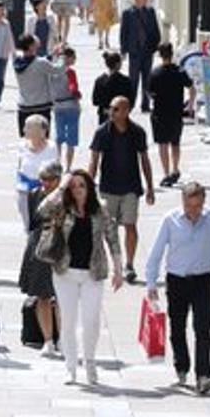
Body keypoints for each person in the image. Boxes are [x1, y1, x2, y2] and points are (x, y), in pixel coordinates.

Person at [143, 181, 210, 395]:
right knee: (177, 328)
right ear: (182, 202)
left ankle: (203, 375)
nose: (193, 212)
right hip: (177, 280)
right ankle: (182, 368)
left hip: (203, 280)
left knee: (203, 328)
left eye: (198, 206)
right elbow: (156, 253)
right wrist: (151, 282)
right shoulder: (170, 220)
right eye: (189, 206)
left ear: (204, 203)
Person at [36, 167, 123, 386]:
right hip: (65, 272)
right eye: (73, 186)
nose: (77, 190)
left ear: (89, 187)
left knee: (91, 320)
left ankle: (90, 362)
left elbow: (112, 238)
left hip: (92, 272)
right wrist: (62, 186)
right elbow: (41, 210)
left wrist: (119, 269)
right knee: (68, 321)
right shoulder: (61, 207)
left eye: (81, 185)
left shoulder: (100, 209)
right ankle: (71, 367)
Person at [87, 96, 155, 285]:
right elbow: (94, 161)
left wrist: (150, 187)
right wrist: (88, 187)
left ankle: (130, 264)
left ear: (127, 111)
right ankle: (109, 263)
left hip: (131, 187)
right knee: (106, 228)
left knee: (130, 225)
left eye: (116, 109)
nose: (112, 112)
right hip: (108, 187)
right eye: (111, 109)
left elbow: (145, 160)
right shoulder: (102, 132)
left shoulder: (137, 132)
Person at [18, 160, 64, 359]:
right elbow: (34, 222)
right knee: (42, 295)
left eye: (50, 180)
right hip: (39, 247)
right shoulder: (34, 195)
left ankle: (63, 338)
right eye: (42, 179)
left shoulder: (67, 197)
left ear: (59, 179)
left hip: (62, 249)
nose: (45, 183)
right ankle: (48, 341)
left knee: (63, 297)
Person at [147, 43, 196, 188]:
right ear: (172, 53)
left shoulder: (155, 73)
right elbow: (192, 89)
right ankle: (175, 168)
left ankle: (166, 173)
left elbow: (149, 93)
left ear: (160, 55)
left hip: (160, 113)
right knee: (175, 142)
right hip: (176, 112)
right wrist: (190, 105)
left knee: (163, 144)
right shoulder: (180, 71)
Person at [13, 114, 60, 232]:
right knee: (29, 227)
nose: (24, 130)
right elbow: (19, 167)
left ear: (42, 130)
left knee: (45, 225)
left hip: (45, 190)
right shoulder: (22, 146)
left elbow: (56, 170)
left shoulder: (52, 147)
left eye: (28, 127)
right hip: (25, 191)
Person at [120, 0, 162, 113]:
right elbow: (124, 32)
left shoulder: (150, 12)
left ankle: (145, 104)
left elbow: (155, 30)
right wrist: (124, 50)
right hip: (134, 51)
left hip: (147, 51)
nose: (143, 0)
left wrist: (154, 47)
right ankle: (131, 104)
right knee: (133, 79)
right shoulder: (128, 13)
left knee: (147, 79)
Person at [12, 36, 60, 138]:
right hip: (42, 106)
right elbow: (56, 70)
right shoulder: (41, 63)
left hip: (24, 105)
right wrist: (64, 60)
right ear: (31, 46)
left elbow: (36, 62)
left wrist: (52, 54)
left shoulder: (17, 61)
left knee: (25, 140)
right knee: (43, 140)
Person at [51, 45, 84, 168]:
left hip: (57, 106)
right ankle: (68, 166)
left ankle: (58, 162)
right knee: (71, 139)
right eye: (73, 57)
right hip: (71, 106)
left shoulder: (52, 70)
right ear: (68, 58)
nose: (75, 60)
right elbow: (73, 88)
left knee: (59, 137)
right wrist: (77, 94)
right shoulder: (70, 72)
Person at [91, 51, 135, 126]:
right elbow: (131, 99)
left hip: (104, 115)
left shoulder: (100, 80)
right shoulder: (125, 81)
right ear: (117, 64)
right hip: (121, 115)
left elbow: (95, 100)